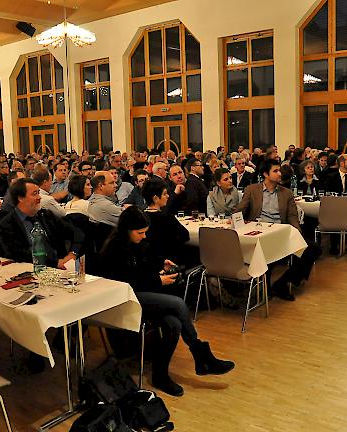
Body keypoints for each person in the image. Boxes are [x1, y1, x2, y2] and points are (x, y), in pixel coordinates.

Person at [99, 207, 234, 397]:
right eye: (140, 233)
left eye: (145, 232)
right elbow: (126, 281)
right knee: (178, 304)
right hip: (125, 299)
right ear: (127, 230)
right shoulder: (113, 250)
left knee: (174, 324)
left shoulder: (134, 243)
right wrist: (157, 280)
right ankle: (200, 354)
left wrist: (161, 264)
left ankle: (161, 375)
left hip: (140, 293)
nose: (144, 236)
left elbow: (144, 265)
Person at [235, 159, 321, 301]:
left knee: (313, 249)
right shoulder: (252, 190)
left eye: (279, 170)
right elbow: (240, 210)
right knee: (266, 252)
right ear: (265, 174)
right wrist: (233, 219)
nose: (280, 173)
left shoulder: (286, 193)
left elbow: (293, 216)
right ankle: (264, 286)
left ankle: (283, 282)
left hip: (280, 232)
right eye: (275, 171)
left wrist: (296, 233)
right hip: (260, 232)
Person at [0, 178, 83, 268]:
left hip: (61, 269)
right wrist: (55, 263)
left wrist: (73, 253)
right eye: (35, 194)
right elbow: (19, 255)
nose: (39, 197)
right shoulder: (7, 225)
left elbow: (77, 233)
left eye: (39, 193)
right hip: (31, 270)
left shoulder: (46, 216)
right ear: (20, 198)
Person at [141, 178, 197, 267]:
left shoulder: (141, 217)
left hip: (151, 260)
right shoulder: (166, 218)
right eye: (164, 194)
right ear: (155, 198)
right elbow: (185, 235)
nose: (167, 196)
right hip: (171, 259)